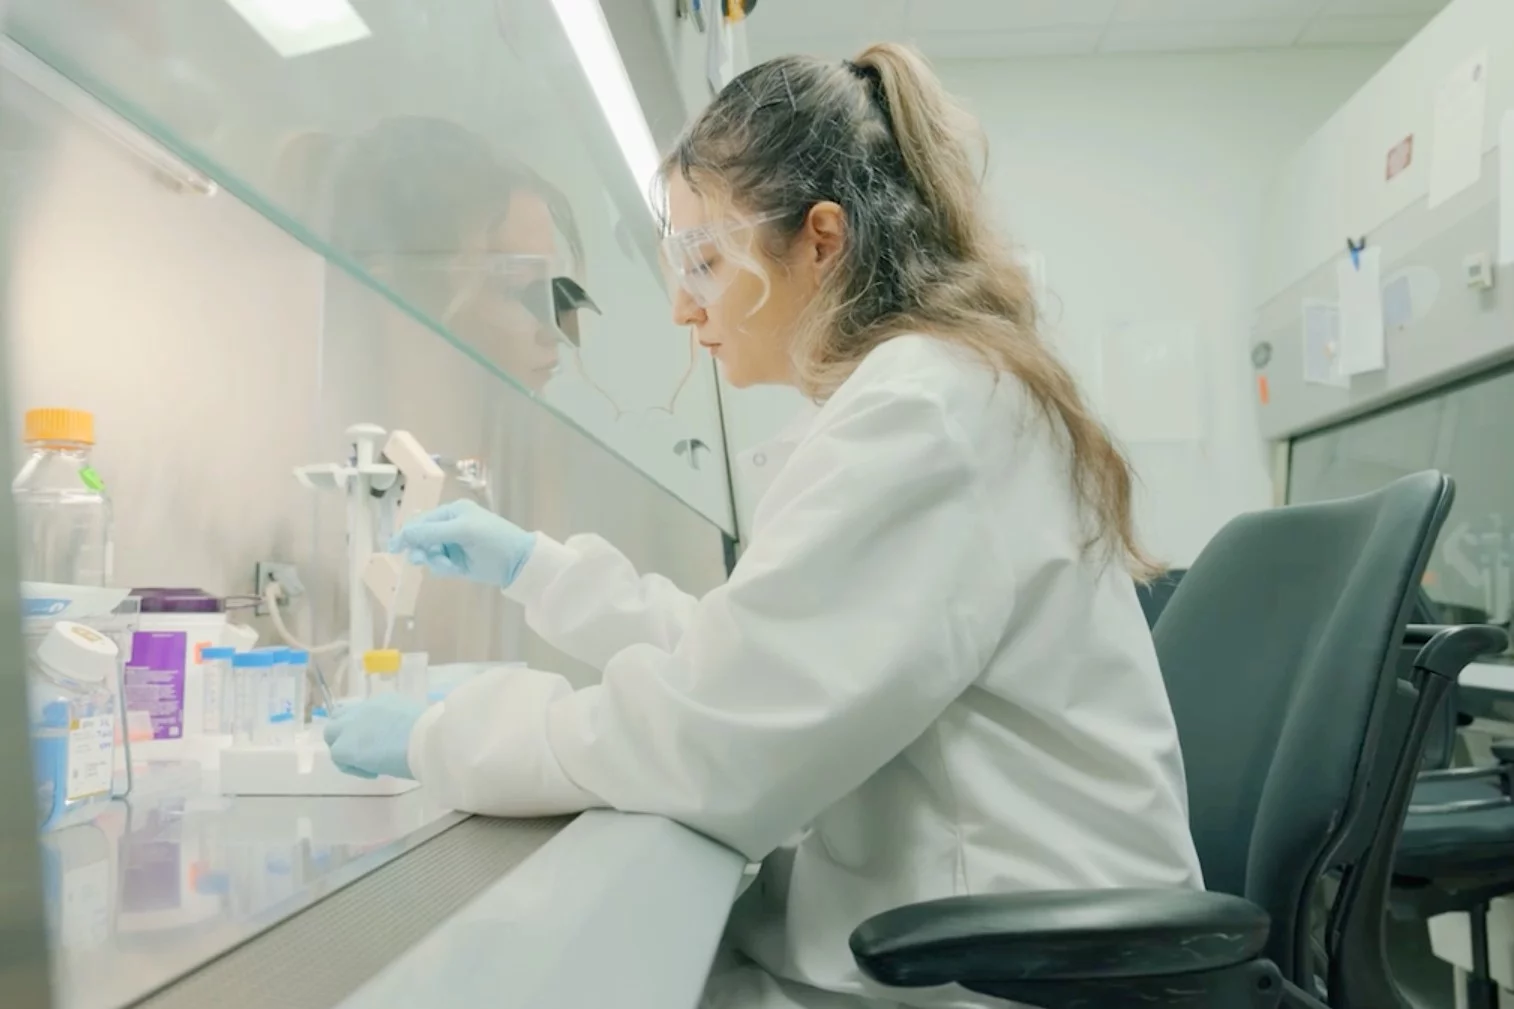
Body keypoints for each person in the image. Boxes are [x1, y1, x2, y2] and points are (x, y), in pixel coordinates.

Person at [324, 44, 1203, 1008]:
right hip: (977, 934)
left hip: (995, 969)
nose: (681, 304)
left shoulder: (925, 412)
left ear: (822, 242)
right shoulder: (920, 396)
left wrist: (443, 737)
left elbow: (708, 740)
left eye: (704, 259)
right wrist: (542, 570)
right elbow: (750, 658)